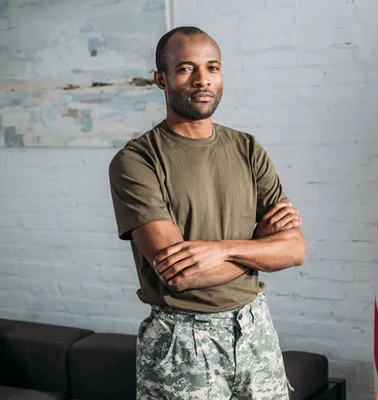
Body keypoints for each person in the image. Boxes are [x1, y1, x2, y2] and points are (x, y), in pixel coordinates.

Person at [108, 26, 306, 400]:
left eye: (212, 67)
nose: (202, 80)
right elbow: (180, 275)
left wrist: (222, 250)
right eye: (186, 69)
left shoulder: (247, 148)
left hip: (255, 328)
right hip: (182, 341)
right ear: (161, 80)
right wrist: (261, 246)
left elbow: (295, 249)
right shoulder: (136, 161)